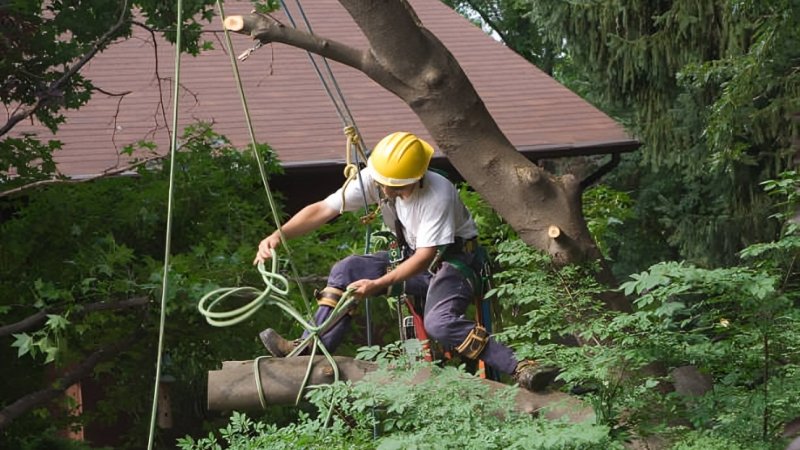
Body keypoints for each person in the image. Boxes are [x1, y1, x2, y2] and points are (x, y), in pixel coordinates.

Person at [254, 131, 552, 391]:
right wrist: (279, 235)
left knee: (439, 322)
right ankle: (310, 349)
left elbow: (425, 258)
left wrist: (379, 283)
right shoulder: (380, 176)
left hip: (455, 263)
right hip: (413, 257)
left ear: (417, 177)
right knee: (347, 269)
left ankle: (519, 366)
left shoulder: (437, 194)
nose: (385, 191)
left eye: (395, 187)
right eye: (382, 184)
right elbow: (324, 209)